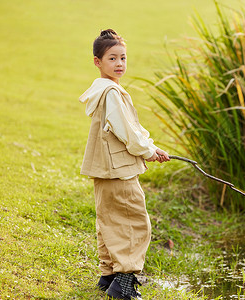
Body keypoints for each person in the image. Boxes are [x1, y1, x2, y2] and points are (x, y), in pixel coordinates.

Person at [79, 29, 170, 300]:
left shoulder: (105, 90)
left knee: (109, 218)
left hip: (105, 168)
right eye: (112, 59)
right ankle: (125, 282)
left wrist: (152, 147)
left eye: (123, 58)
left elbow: (133, 127)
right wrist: (146, 152)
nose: (119, 64)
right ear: (98, 62)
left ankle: (108, 276)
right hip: (119, 171)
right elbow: (127, 133)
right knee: (133, 222)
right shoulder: (112, 94)